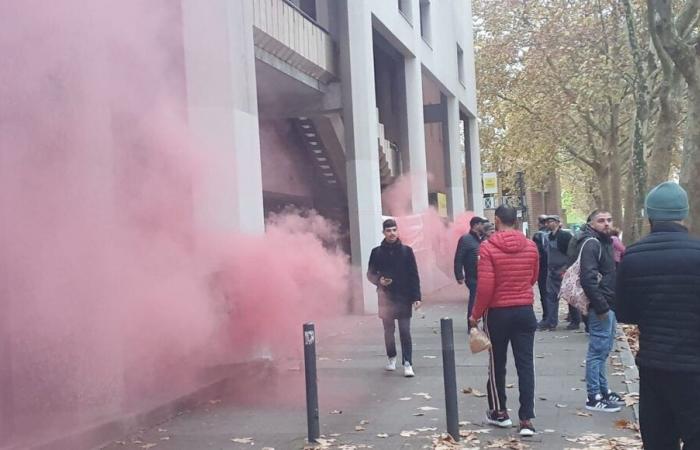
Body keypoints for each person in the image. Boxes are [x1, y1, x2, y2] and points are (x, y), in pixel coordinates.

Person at [617, 182, 700, 449]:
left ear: (648, 215)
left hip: (655, 364)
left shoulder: (633, 256)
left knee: (659, 439)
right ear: (684, 214)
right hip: (695, 366)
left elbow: (625, 312)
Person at [468, 205, 539, 437]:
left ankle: (499, 413)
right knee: (525, 365)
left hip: (498, 313)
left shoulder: (487, 247)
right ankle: (526, 418)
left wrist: (475, 314)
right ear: (516, 220)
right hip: (524, 310)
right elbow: (533, 277)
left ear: (497, 220)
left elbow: (485, 287)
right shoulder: (531, 246)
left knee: (497, 363)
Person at [576, 209, 623, 412]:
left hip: (609, 303)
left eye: (609, 220)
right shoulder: (592, 244)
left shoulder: (605, 242)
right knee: (597, 351)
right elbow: (588, 278)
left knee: (604, 350)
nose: (606, 224)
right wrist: (601, 306)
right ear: (592, 223)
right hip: (601, 306)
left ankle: (603, 391)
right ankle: (593, 396)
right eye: (601, 220)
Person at [367, 219, 422, 377]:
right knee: (388, 331)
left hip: (404, 297)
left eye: (394, 230)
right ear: (383, 232)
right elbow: (370, 274)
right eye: (388, 230)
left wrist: (416, 297)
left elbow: (414, 275)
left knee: (405, 331)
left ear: (398, 231)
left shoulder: (407, 251)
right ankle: (391, 358)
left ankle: (407, 363)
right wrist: (379, 280)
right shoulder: (376, 252)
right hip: (385, 298)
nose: (391, 233)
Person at [538, 215, 578, 331]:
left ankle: (575, 320)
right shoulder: (548, 237)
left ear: (557, 222)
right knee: (551, 297)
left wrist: (566, 268)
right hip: (552, 271)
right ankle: (551, 322)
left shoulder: (565, 236)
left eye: (550, 221)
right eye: (547, 222)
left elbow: (572, 253)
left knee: (569, 296)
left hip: (564, 270)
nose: (548, 224)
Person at [454, 216, 488, 329]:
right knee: (474, 300)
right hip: (472, 277)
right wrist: (459, 275)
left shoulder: (483, 239)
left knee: (484, 300)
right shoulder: (465, 239)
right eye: (482, 224)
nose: (484, 226)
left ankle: (485, 324)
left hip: (484, 276)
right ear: (476, 225)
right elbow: (459, 258)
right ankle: (472, 325)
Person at [532, 215, 549, 321]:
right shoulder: (552, 234)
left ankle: (546, 316)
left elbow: (537, 254)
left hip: (543, 268)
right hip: (554, 267)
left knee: (544, 293)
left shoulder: (538, 235)